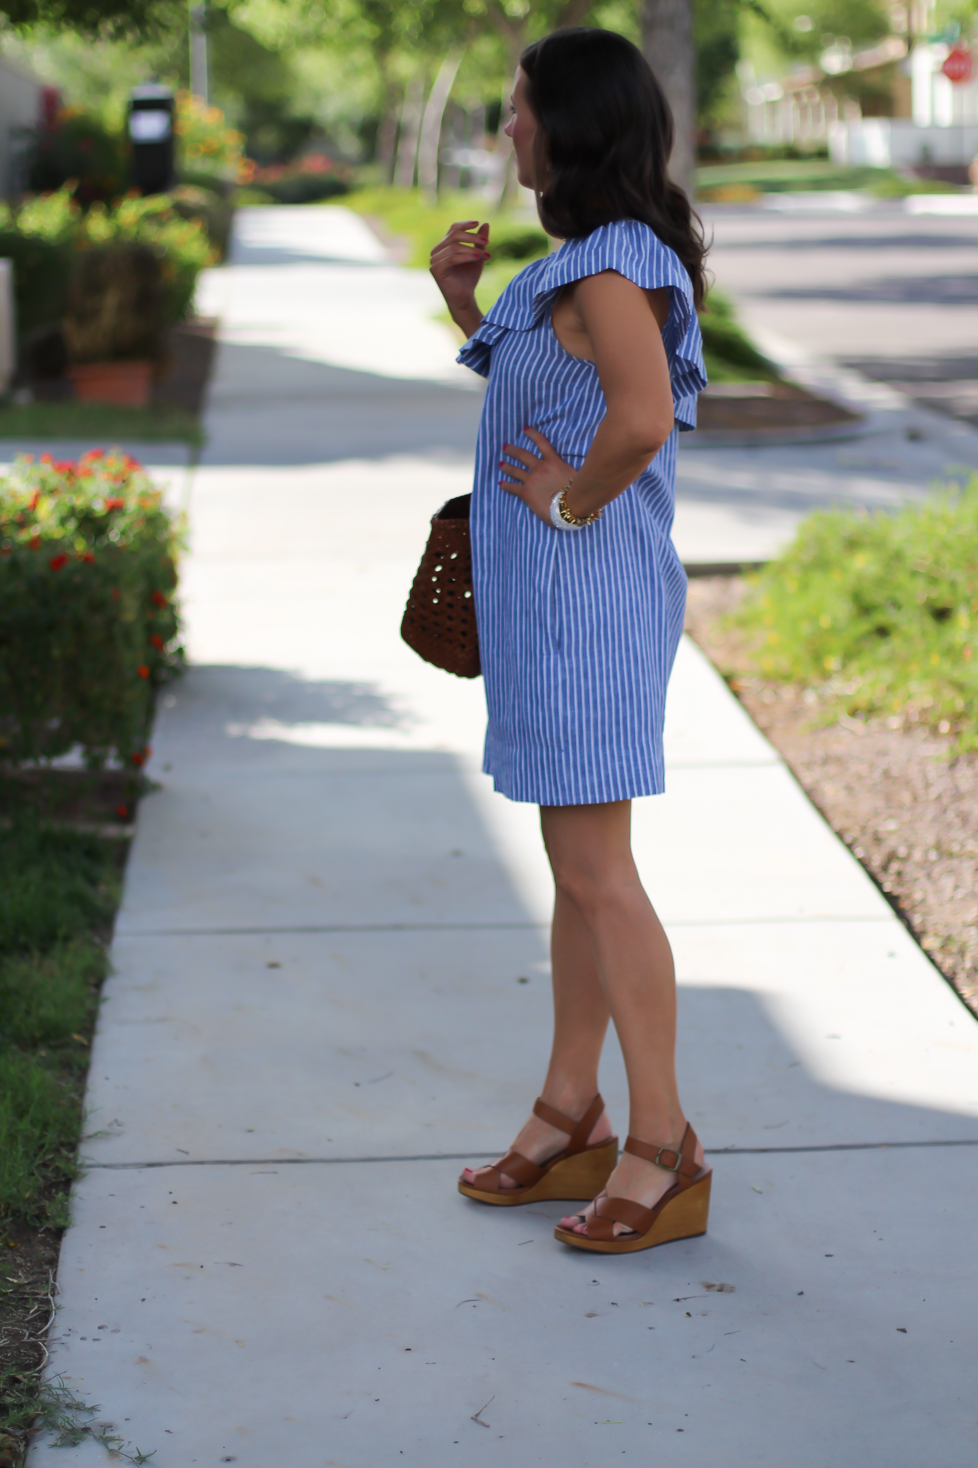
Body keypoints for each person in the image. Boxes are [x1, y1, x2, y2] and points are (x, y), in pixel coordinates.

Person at [429, 27, 709, 1255]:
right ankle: (570, 1107)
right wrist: (458, 298)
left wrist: (565, 501)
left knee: (601, 876)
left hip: (589, 610)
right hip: (554, 613)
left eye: (520, 109)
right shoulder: (589, 263)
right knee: (574, 873)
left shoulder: (615, 261)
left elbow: (638, 421)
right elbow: (555, 384)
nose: (509, 129)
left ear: (573, 125)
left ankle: (662, 1144)